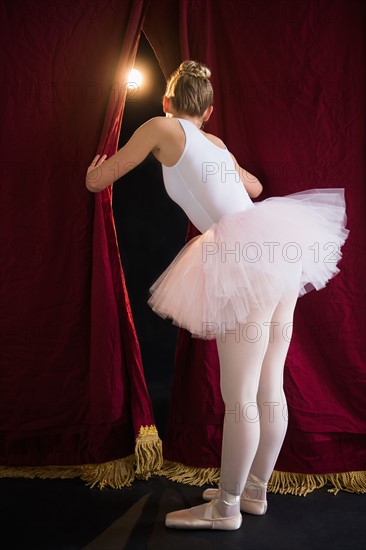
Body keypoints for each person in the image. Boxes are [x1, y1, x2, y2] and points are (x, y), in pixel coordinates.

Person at [86, 60, 349, 530]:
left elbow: (102, 179)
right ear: (208, 110)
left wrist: (92, 173)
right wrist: (224, 166)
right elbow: (255, 187)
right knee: (270, 384)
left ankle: (225, 509)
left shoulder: (160, 126)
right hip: (278, 249)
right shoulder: (217, 143)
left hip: (244, 256)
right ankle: (253, 492)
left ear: (168, 102)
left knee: (241, 393)